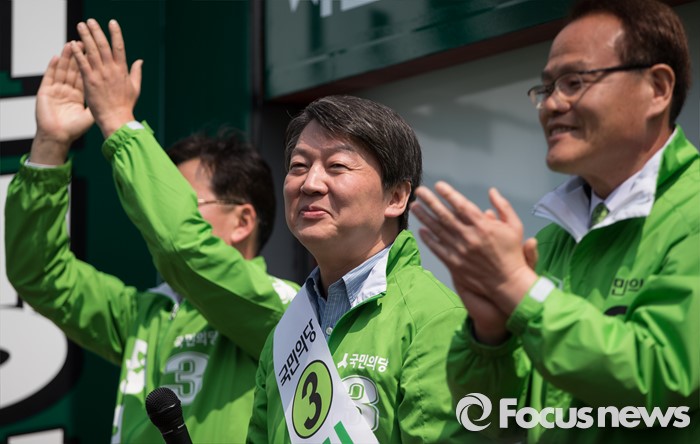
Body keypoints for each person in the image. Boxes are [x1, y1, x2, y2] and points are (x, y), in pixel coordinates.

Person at [411, 0, 698, 442]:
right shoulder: (550, 243)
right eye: (546, 88)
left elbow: (664, 377)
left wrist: (519, 289)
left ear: (657, 88)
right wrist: (490, 338)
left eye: (574, 82)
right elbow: (491, 423)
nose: (551, 105)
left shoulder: (691, 214)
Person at [6, 22, 298, 444]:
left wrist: (119, 122)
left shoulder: (280, 307)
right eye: (165, 197)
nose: (162, 210)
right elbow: (39, 272)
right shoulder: (146, 314)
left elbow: (180, 246)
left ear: (242, 221)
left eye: (183, 201)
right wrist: (50, 145)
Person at [245, 94, 474, 443]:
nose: (310, 183)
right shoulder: (287, 331)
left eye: (337, 166)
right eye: (299, 166)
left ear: (396, 197)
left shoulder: (435, 319)